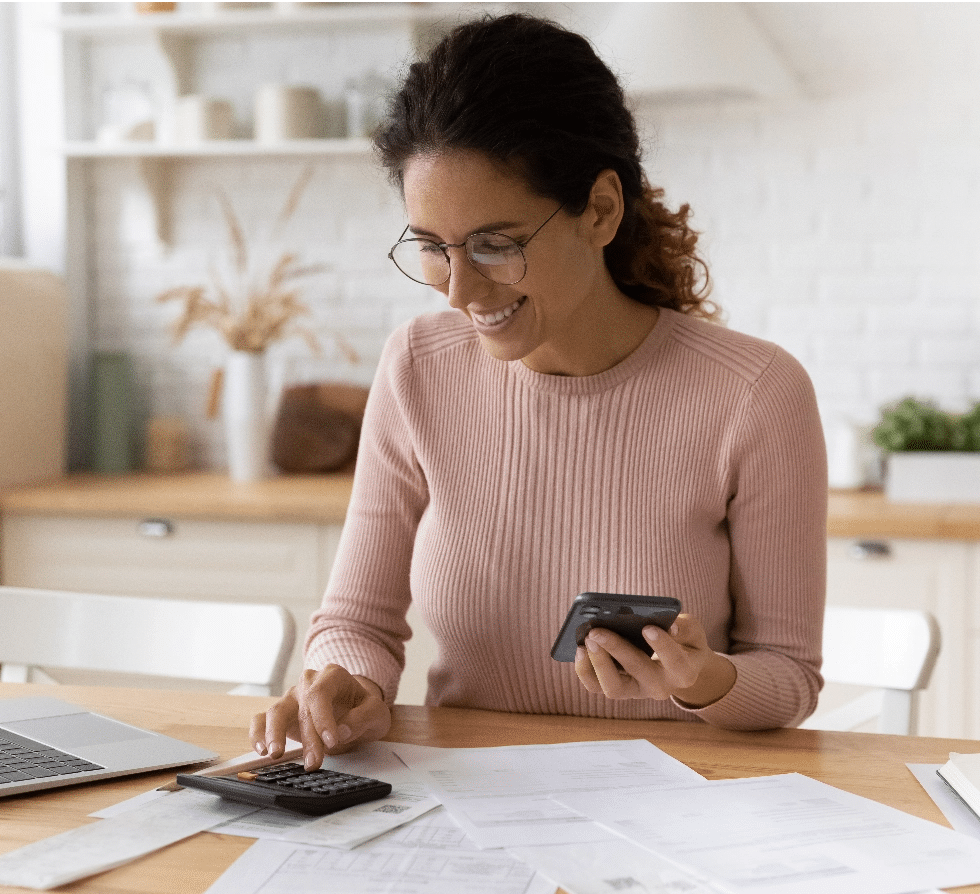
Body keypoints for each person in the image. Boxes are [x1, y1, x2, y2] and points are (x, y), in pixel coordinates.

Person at [252, 12, 827, 770]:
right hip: (464, 803)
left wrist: (706, 681)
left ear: (600, 210)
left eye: (496, 244)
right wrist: (349, 683)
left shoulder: (753, 393)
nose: (458, 290)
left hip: (676, 809)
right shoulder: (418, 366)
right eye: (431, 247)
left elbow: (787, 676)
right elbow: (358, 618)